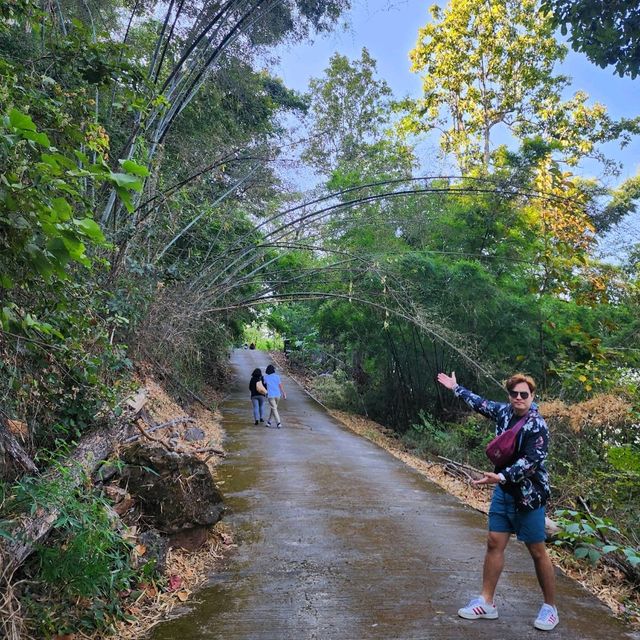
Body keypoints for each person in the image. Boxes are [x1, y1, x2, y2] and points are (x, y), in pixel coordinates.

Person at [436, 371, 558, 632]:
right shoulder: (504, 412)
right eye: (514, 394)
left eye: (524, 394)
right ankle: (486, 602)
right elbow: (480, 403)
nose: (518, 398)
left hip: (529, 495)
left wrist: (501, 476)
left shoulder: (537, 425)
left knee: (537, 550)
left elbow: (531, 462)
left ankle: (550, 608)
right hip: (503, 491)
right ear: (509, 396)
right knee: (494, 542)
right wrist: (456, 388)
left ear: (532, 396)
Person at [263, 364, 286, 428]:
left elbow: (263, 385)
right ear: (273, 370)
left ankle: (278, 423)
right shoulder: (277, 377)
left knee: (274, 408)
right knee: (274, 408)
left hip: (270, 395)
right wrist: (284, 393)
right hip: (278, 395)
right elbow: (280, 386)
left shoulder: (265, 377)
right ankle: (269, 422)